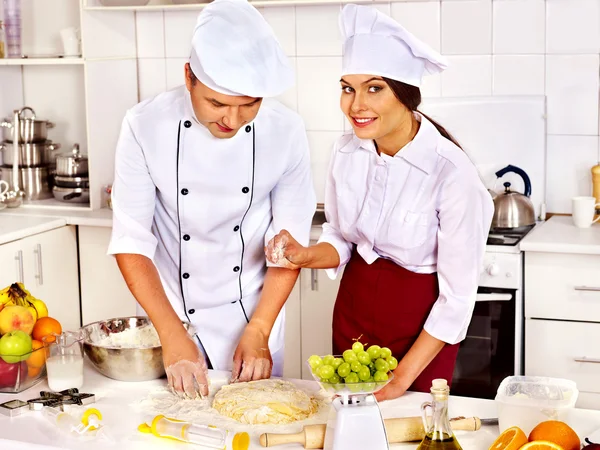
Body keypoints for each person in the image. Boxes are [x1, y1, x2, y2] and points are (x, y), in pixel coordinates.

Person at [265, 4, 494, 402]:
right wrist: (304, 255)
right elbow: (341, 237)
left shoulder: (452, 175)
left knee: (407, 429)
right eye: (348, 88)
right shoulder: (347, 152)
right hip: (353, 314)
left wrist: (402, 379)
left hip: (419, 336)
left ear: (404, 95)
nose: (356, 105)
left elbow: (456, 300)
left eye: (374, 88)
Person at [108, 0, 316, 398]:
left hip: (253, 318)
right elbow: (131, 240)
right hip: (165, 318)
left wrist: (259, 329)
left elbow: (288, 246)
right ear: (189, 77)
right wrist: (171, 335)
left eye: (248, 105)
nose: (232, 121)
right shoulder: (144, 125)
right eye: (217, 104)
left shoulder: (286, 131)